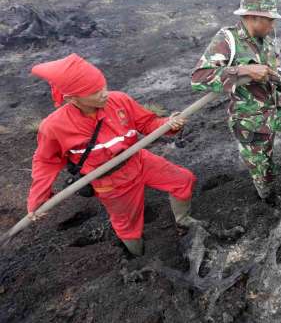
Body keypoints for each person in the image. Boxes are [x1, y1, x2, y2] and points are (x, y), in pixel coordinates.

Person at [27, 53, 200, 256]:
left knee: (183, 180)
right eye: (94, 91)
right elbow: (46, 162)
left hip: (139, 160)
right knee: (128, 223)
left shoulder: (119, 100)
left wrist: (168, 125)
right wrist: (38, 199)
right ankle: (138, 255)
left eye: (103, 86)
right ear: (72, 98)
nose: (104, 94)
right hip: (110, 182)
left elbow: (147, 123)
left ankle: (184, 221)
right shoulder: (55, 126)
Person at [191, 0, 281, 204]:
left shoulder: (268, 37)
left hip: (275, 105)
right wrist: (242, 70)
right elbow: (198, 79)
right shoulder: (227, 39)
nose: (273, 24)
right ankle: (268, 197)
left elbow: (274, 73)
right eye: (269, 19)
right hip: (249, 119)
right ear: (252, 17)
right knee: (263, 169)